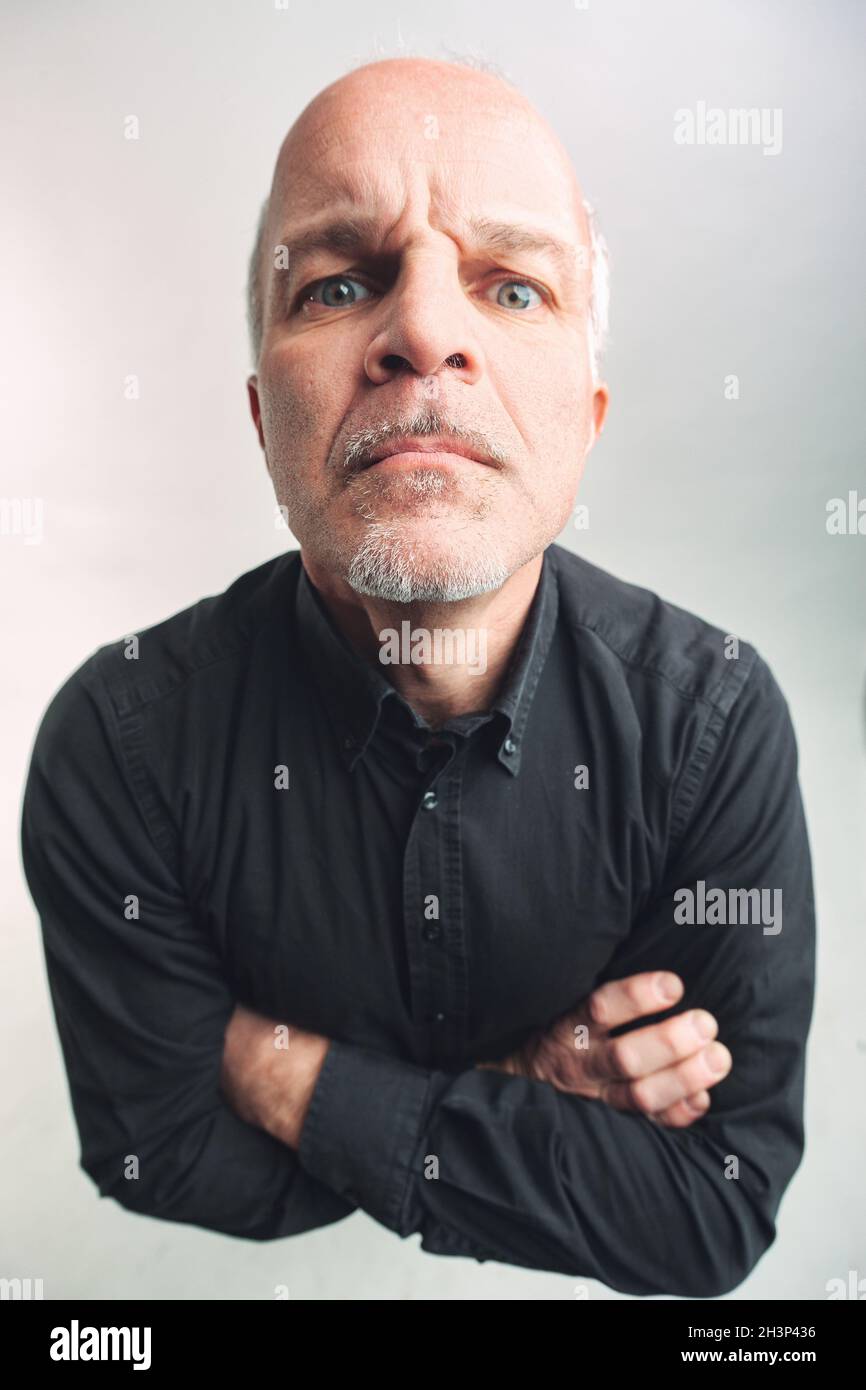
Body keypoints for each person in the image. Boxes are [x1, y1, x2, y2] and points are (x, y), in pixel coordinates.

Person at [21, 56, 815, 1298]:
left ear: (586, 419)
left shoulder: (714, 724)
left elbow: (707, 1214)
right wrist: (514, 1097)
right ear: (261, 420)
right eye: (339, 280)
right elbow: (156, 1151)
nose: (426, 331)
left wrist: (273, 1068)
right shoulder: (115, 747)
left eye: (510, 285)